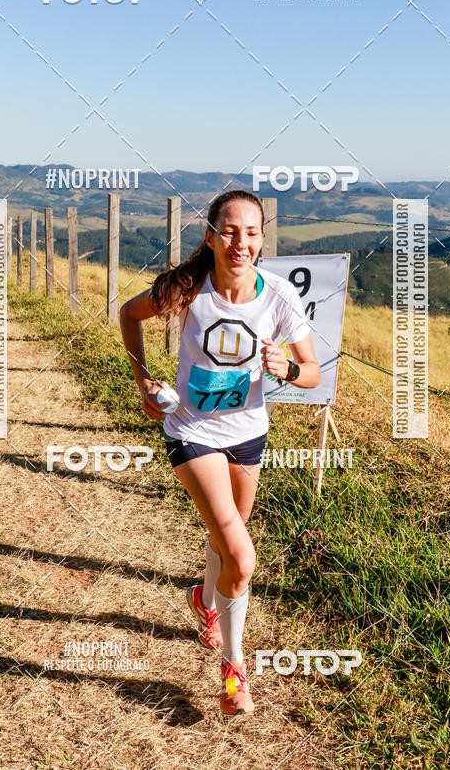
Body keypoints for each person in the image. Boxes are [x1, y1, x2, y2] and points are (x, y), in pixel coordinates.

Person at [120, 190, 320, 716]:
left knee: (223, 540)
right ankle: (234, 669)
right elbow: (128, 314)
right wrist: (145, 382)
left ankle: (205, 603)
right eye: (230, 231)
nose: (241, 242)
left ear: (262, 239)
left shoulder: (278, 297)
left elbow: (314, 372)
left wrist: (290, 372)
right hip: (192, 431)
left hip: (249, 433)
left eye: (252, 232)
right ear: (210, 236)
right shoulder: (185, 288)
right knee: (242, 554)